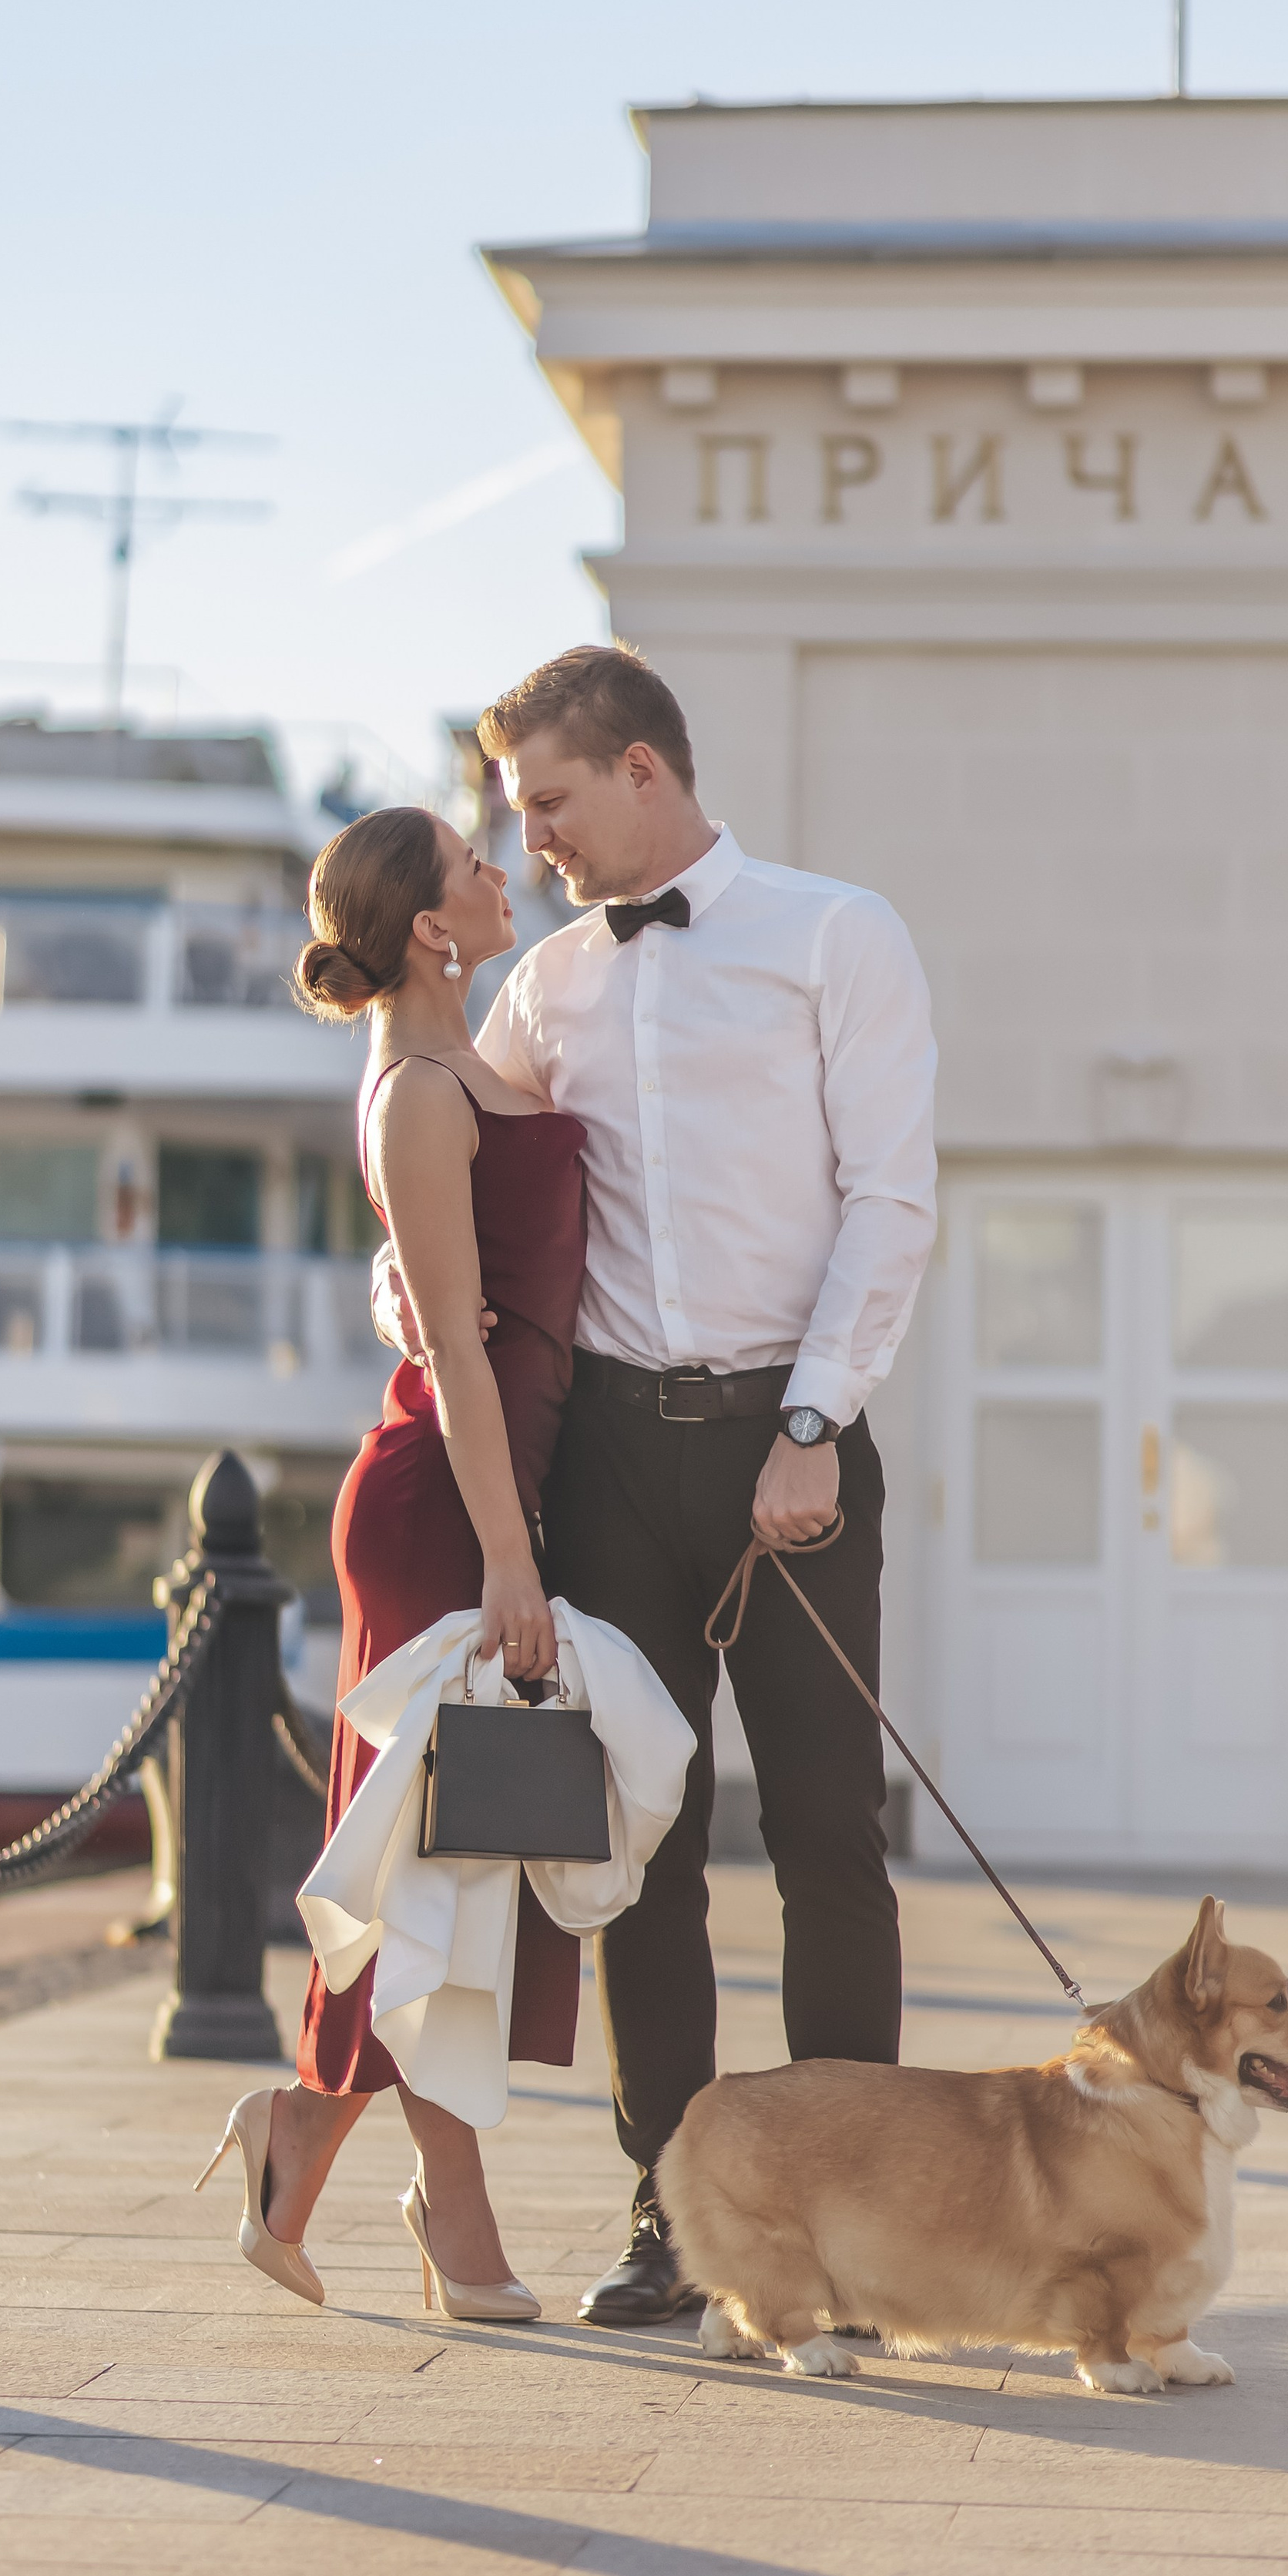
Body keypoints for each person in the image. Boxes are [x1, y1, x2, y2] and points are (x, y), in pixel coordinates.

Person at [379, 642, 937, 2326]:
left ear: (641, 772)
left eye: (544, 801)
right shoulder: (545, 984)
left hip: (792, 1440)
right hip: (616, 1453)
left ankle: (845, 2220)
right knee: (648, 1846)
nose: (528, 834)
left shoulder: (838, 936)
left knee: (830, 1832)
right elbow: (443, 1178)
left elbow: (888, 1203)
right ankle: (671, 2215)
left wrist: (813, 1423)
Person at [196, 803, 589, 2320]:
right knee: (425, 1862)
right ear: (430, 928)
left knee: (442, 1861)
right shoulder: (419, 1089)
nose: (502, 876)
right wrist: (507, 1557)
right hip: (444, 1505)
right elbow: (455, 1353)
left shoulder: (470, 1053)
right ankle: (443, 2210)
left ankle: (302, 2140)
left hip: (492, 1492)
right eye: (475, 866)